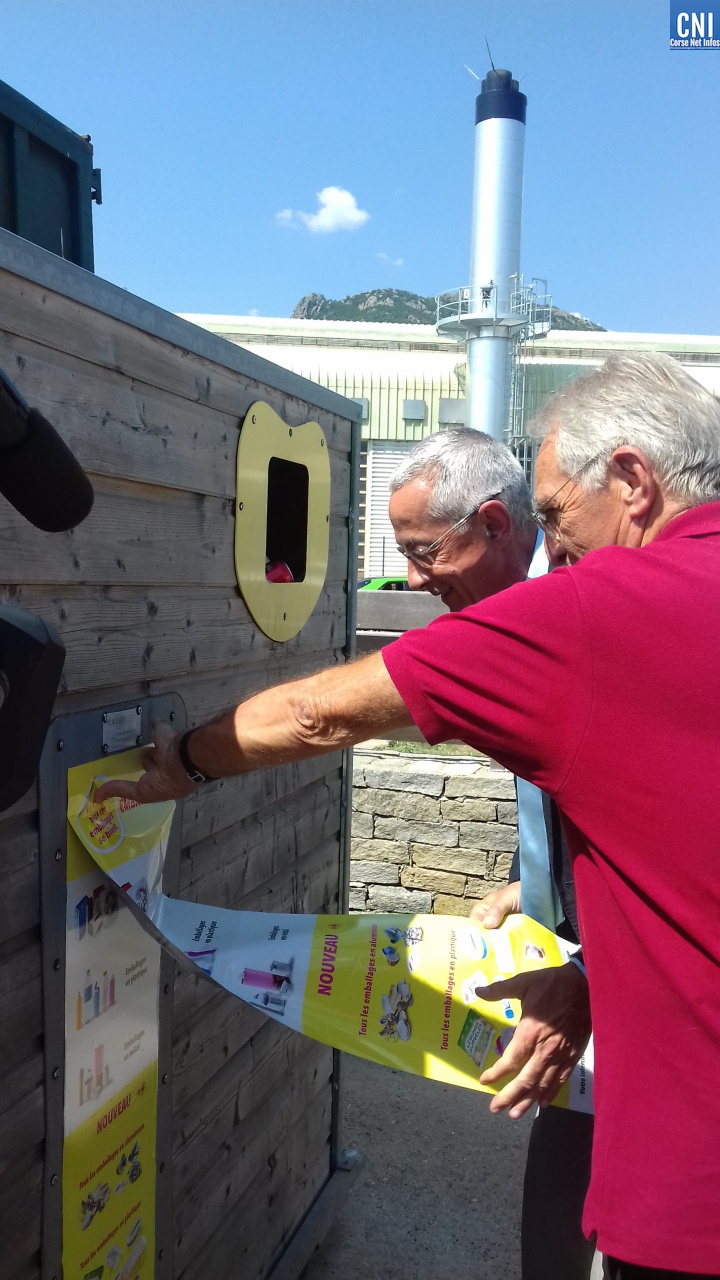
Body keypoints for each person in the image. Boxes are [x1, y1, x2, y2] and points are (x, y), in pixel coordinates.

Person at [98, 352, 720, 1279]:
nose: (557, 548)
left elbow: (317, 715)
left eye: (556, 517)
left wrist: (182, 764)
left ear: (633, 480)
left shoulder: (592, 610)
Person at [387, 428, 597, 1280]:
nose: (411, 579)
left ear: (494, 524)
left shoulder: (584, 616)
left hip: (632, 994)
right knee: (554, 1229)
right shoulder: (515, 618)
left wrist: (589, 979)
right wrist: (531, 881)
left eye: (423, 551)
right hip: (579, 972)